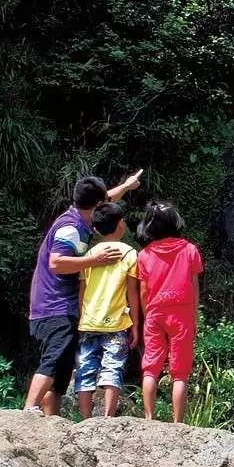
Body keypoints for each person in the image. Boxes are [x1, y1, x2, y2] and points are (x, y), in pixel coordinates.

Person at [25, 170, 143, 416]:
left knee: (63, 369)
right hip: (52, 305)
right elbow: (56, 263)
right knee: (54, 360)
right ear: (97, 204)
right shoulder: (70, 228)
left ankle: (50, 421)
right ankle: (28, 410)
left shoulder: (83, 215)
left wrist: (126, 185)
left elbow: (107, 198)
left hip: (60, 305)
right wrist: (95, 259)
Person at [136, 199, 202, 424]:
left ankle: (149, 417)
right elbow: (194, 287)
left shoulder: (144, 254)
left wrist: (147, 314)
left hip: (155, 312)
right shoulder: (190, 250)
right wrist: (195, 316)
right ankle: (177, 423)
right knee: (180, 372)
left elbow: (143, 290)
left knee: (150, 368)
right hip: (182, 313)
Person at [74, 202, 141, 420]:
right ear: (121, 225)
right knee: (113, 368)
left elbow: (82, 291)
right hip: (116, 322)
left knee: (85, 370)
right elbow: (132, 292)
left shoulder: (89, 254)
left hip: (89, 320)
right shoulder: (130, 254)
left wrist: (80, 317)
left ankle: (85, 419)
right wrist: (136, 324)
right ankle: (107, 418)